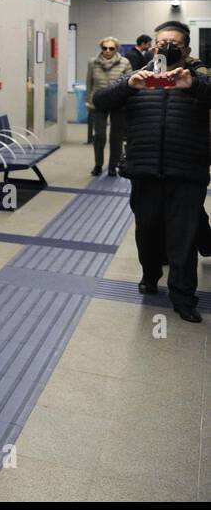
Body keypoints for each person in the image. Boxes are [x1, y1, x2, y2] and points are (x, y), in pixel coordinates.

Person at [93, 21, 209, 323]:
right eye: (161, 43)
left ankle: (183, 298)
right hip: (144, 171)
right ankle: (149, 274)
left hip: (186, 173)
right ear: (153, 47)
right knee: (147, 233)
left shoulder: (198, 78)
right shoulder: (136, 77)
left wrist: (193, 85)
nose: (166, 47)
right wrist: (127, 85)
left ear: (186, 49)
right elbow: (100, 101)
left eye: (174, 43)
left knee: (183, 241)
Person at [84, 37, 131, 176]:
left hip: (118, 102)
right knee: (99, 135)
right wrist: (88, 101)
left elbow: (130, 83)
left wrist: (128, 102)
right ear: (101, 48)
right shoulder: (93, 62)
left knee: (116, 137)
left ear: (116, 49)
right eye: (105, 48)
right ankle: (98, 164)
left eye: (111, 48)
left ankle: (113, 166)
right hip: (98, 101)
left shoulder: (124, 62)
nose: (108, 51)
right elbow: (89, 82)